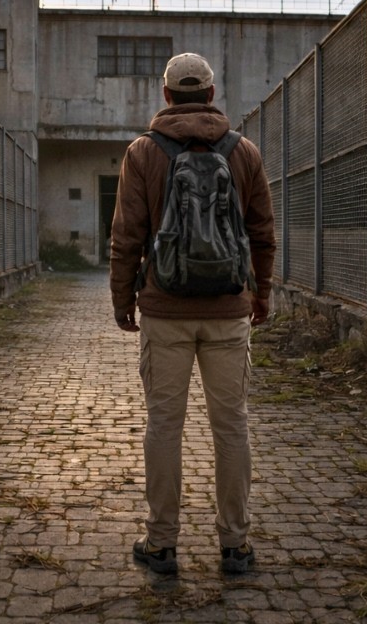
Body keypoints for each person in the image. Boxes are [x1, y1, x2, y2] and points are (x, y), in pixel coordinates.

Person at [109, 52, 276, 574]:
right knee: (231, 426)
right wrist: (261, 293)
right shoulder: (243, 151)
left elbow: (126, 239)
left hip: (164, 309)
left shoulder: (141, 153)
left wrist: (123, 302)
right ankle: (236, 546)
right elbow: (262, 232)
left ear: (165, 96)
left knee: (164, 424)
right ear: (209, 95)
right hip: (228, 310)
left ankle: (161, 544)